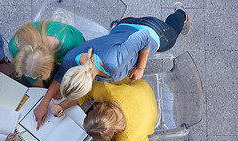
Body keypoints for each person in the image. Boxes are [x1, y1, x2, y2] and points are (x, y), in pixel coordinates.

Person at [33, 2, 189, 128]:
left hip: (155, 30)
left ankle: (181, 12)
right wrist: (44, 103)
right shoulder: (71, 58)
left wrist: (140, 67)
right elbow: (60, 76)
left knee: (173, 33)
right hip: (124, 25)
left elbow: (145, 37)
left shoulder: (113, 65)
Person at [51, 77, 157, 141]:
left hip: (147, 105)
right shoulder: (108, 91)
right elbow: (87, 91)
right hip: (141, 89)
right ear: (96, 107)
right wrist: (62, 105)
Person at [9, 20, 84, 87]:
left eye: (37, 76)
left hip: (75, 50)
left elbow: (80, 63)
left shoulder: (68, 43)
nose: (34, 78)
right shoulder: (14, 46)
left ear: (50, 62)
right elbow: (32, 76)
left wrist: (57, 87)